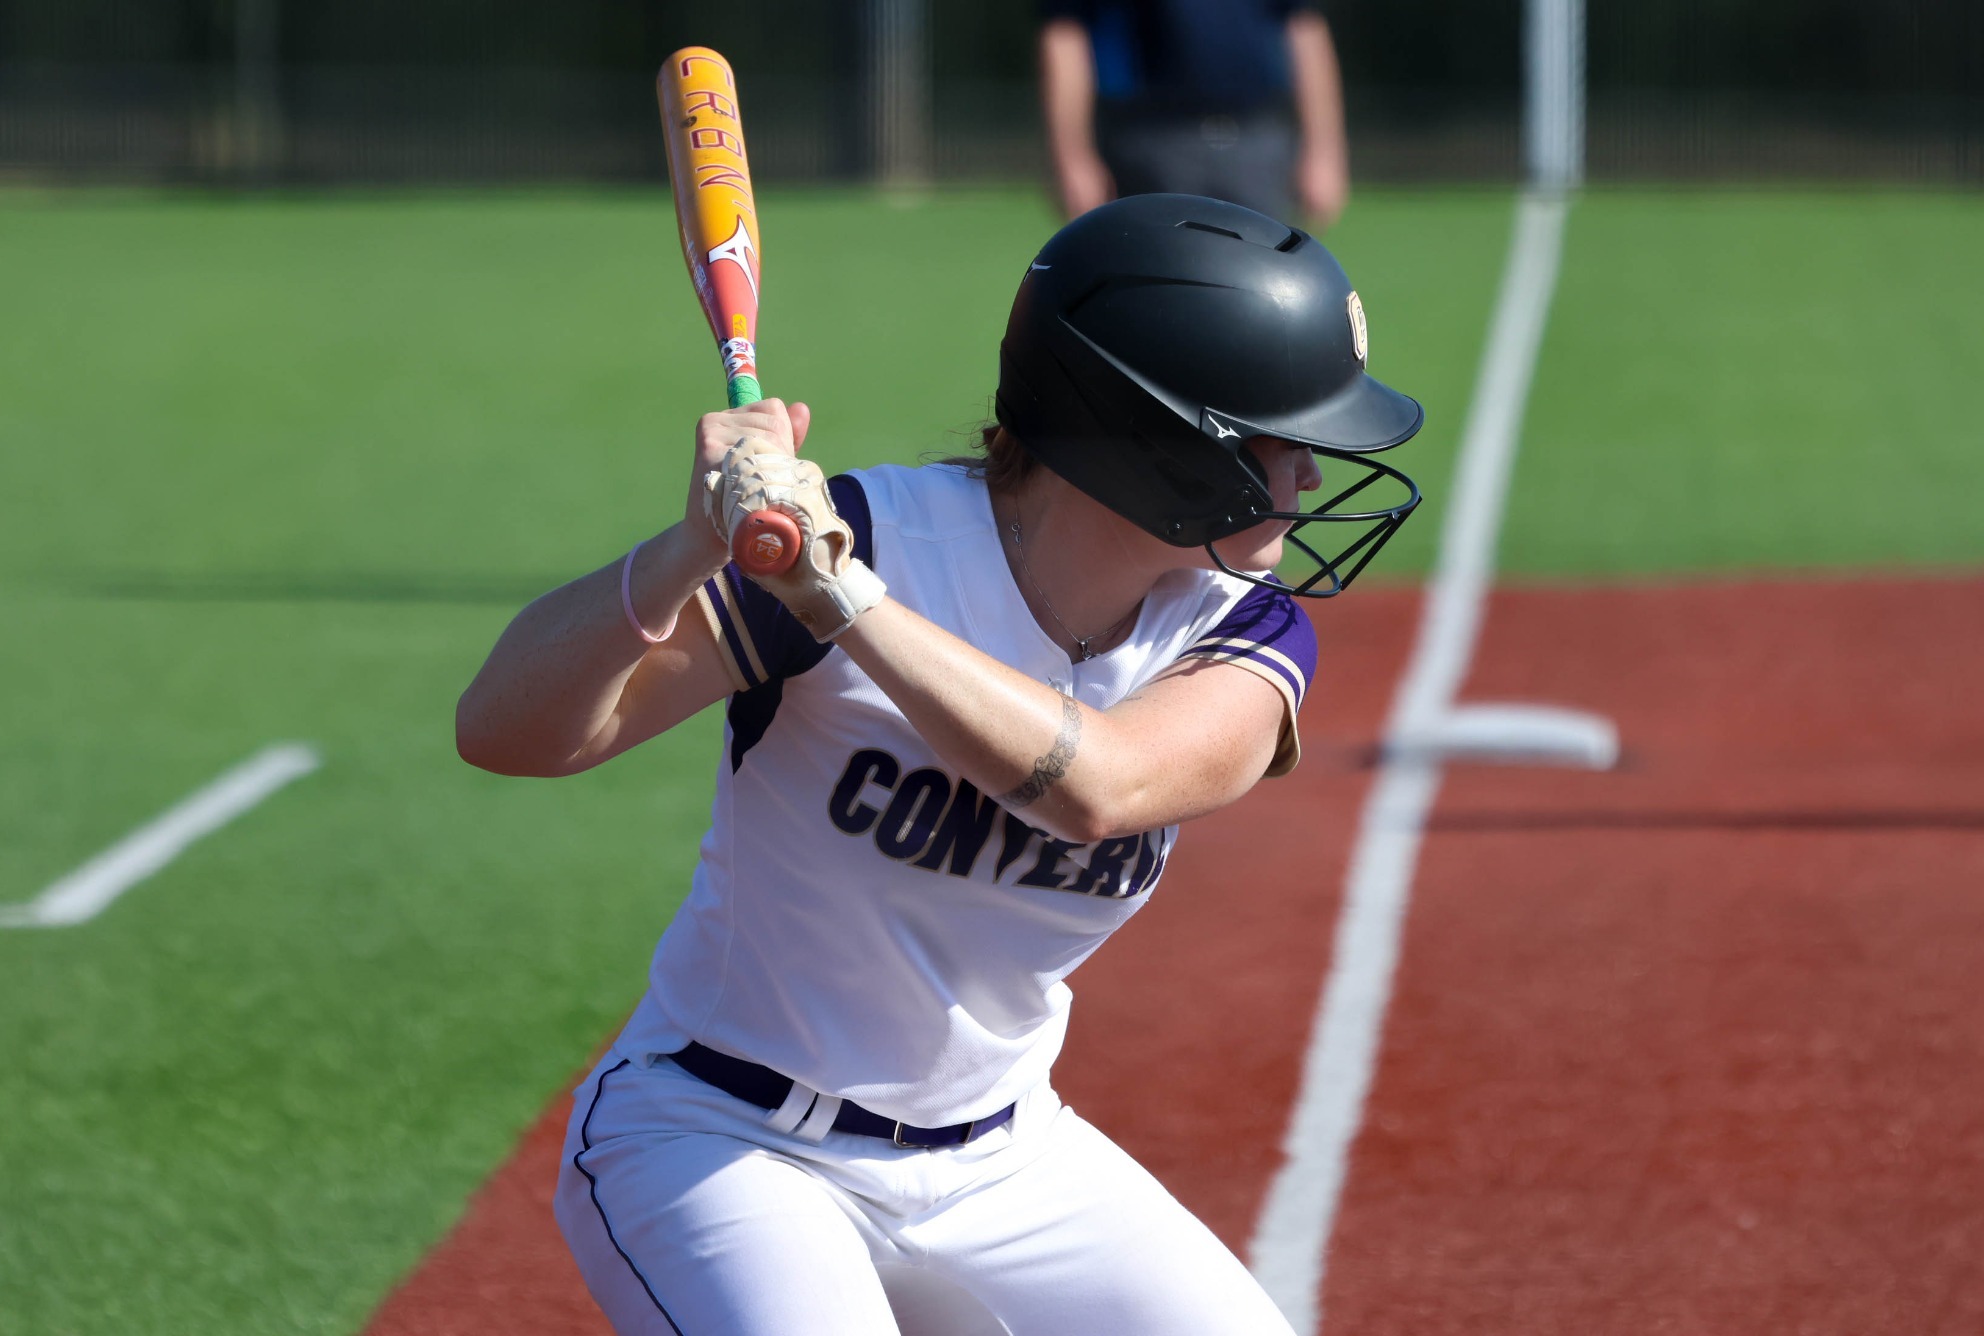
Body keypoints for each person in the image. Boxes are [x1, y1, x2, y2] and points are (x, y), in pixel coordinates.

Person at [455, 194, 1421, 1335]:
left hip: (1007, 1159)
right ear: (1153, 435)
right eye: (1275, 438)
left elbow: (1099, 787)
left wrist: (839, 600)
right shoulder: (877, 533)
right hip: (721, 1138)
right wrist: (685, 553)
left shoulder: (1240, 631)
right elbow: (509, 731)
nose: (1307, 477)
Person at [1039, 0, 1352, 229]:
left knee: (1260, 289)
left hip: (1257, 139)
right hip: (1149, 143)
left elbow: (1304, 26)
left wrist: (1324, 151)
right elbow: (1065, 31)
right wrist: (1073, 157)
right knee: (1156, 284)